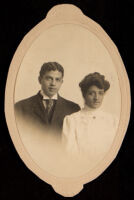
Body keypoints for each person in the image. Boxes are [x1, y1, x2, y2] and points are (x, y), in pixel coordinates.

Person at [62, 72, 118, 158]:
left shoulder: (112, 120)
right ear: (84, 95)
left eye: (100, 93)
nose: (96, 98)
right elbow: (70, 154)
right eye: (92, 93)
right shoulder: (72, 120)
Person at [15, 62, 80, 135]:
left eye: (57, 79)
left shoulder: (73, 109)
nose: (53, 83)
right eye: (49, 79)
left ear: (62, 82)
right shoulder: (20, 107)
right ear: (40, 80)